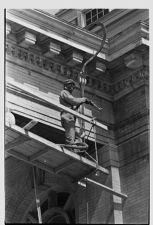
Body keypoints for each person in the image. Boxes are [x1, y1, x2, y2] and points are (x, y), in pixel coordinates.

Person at [59, 79, 90, 146]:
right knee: (70, 132)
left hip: (70, 117)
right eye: (70, 86)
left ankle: (77, 145)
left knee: (76, 135)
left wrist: (79, 104)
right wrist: (82, 99)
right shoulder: (64, 92)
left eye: (73, 86)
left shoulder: (67, 93)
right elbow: (73, 100)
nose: (72, 88)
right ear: (66, 86)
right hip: (67, 116)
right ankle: (70, 145)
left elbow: (74, 105)